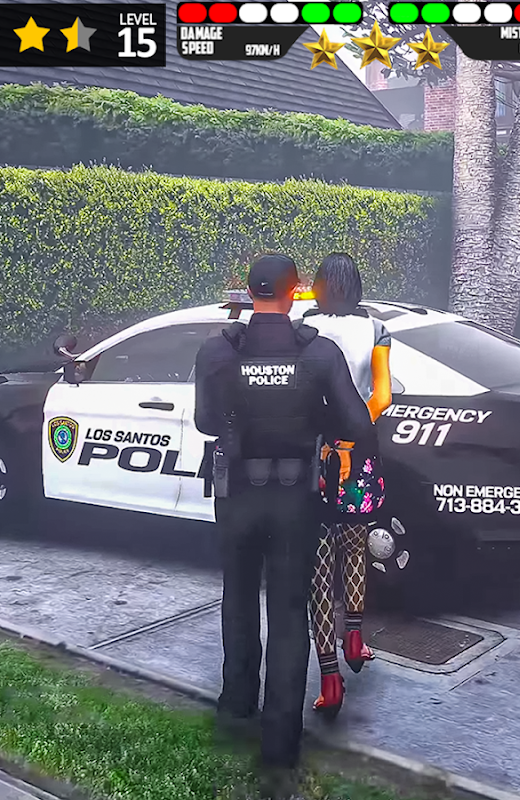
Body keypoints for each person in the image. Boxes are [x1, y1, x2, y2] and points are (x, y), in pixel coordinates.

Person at [194, 254, 375, 794]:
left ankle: (236, 708)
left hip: (237, 495)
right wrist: (318, 420)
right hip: (296, 498)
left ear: (250, 292)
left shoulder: (219, 349)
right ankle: (279, 744)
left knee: (238, 597)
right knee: (290, 612)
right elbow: (358, 426)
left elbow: (205, 421)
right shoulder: (317, 351)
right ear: (296, 292)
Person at [301, 253, 393, 717]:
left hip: (315, 454)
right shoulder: (375, 329)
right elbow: (383, 395)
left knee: (319, 565)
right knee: (355, 547)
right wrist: (353, 426)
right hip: (357, 452)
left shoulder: (303, 328)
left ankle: (330, 679)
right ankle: (355, 638)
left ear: (319, 286)